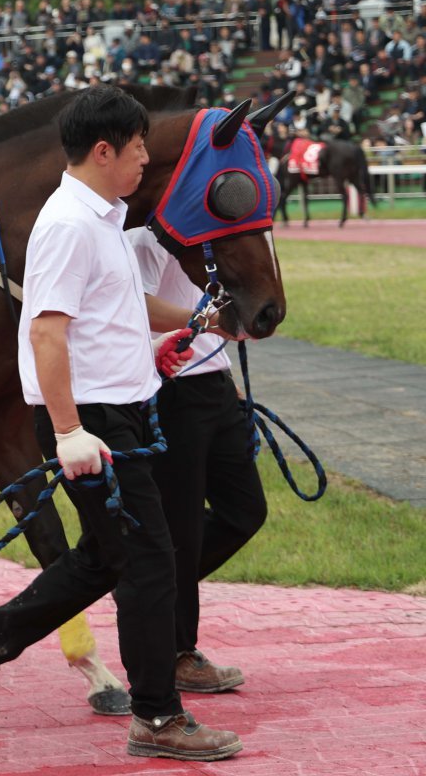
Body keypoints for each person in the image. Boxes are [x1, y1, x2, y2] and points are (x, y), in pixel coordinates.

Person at [0, 85, 241, 762]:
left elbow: (122, 302)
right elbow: (46, 332)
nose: (144, 161)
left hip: (121, 412)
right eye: (138, 149)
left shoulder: (102, 215)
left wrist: (198, 319)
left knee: (108, 557)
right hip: (95, 421)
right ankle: (158, 718)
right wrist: (70, 430)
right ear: (103, 151)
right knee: (149, 561)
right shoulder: (68, 224)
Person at [126, 225, 267, 697]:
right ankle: (176, 651)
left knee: (246, 511)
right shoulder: (147, 238)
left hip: (216, 381)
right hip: (172, 387)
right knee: (180, 529)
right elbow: (134, 306)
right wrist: (202, 324)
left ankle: (146, 592)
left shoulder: (220, 236)